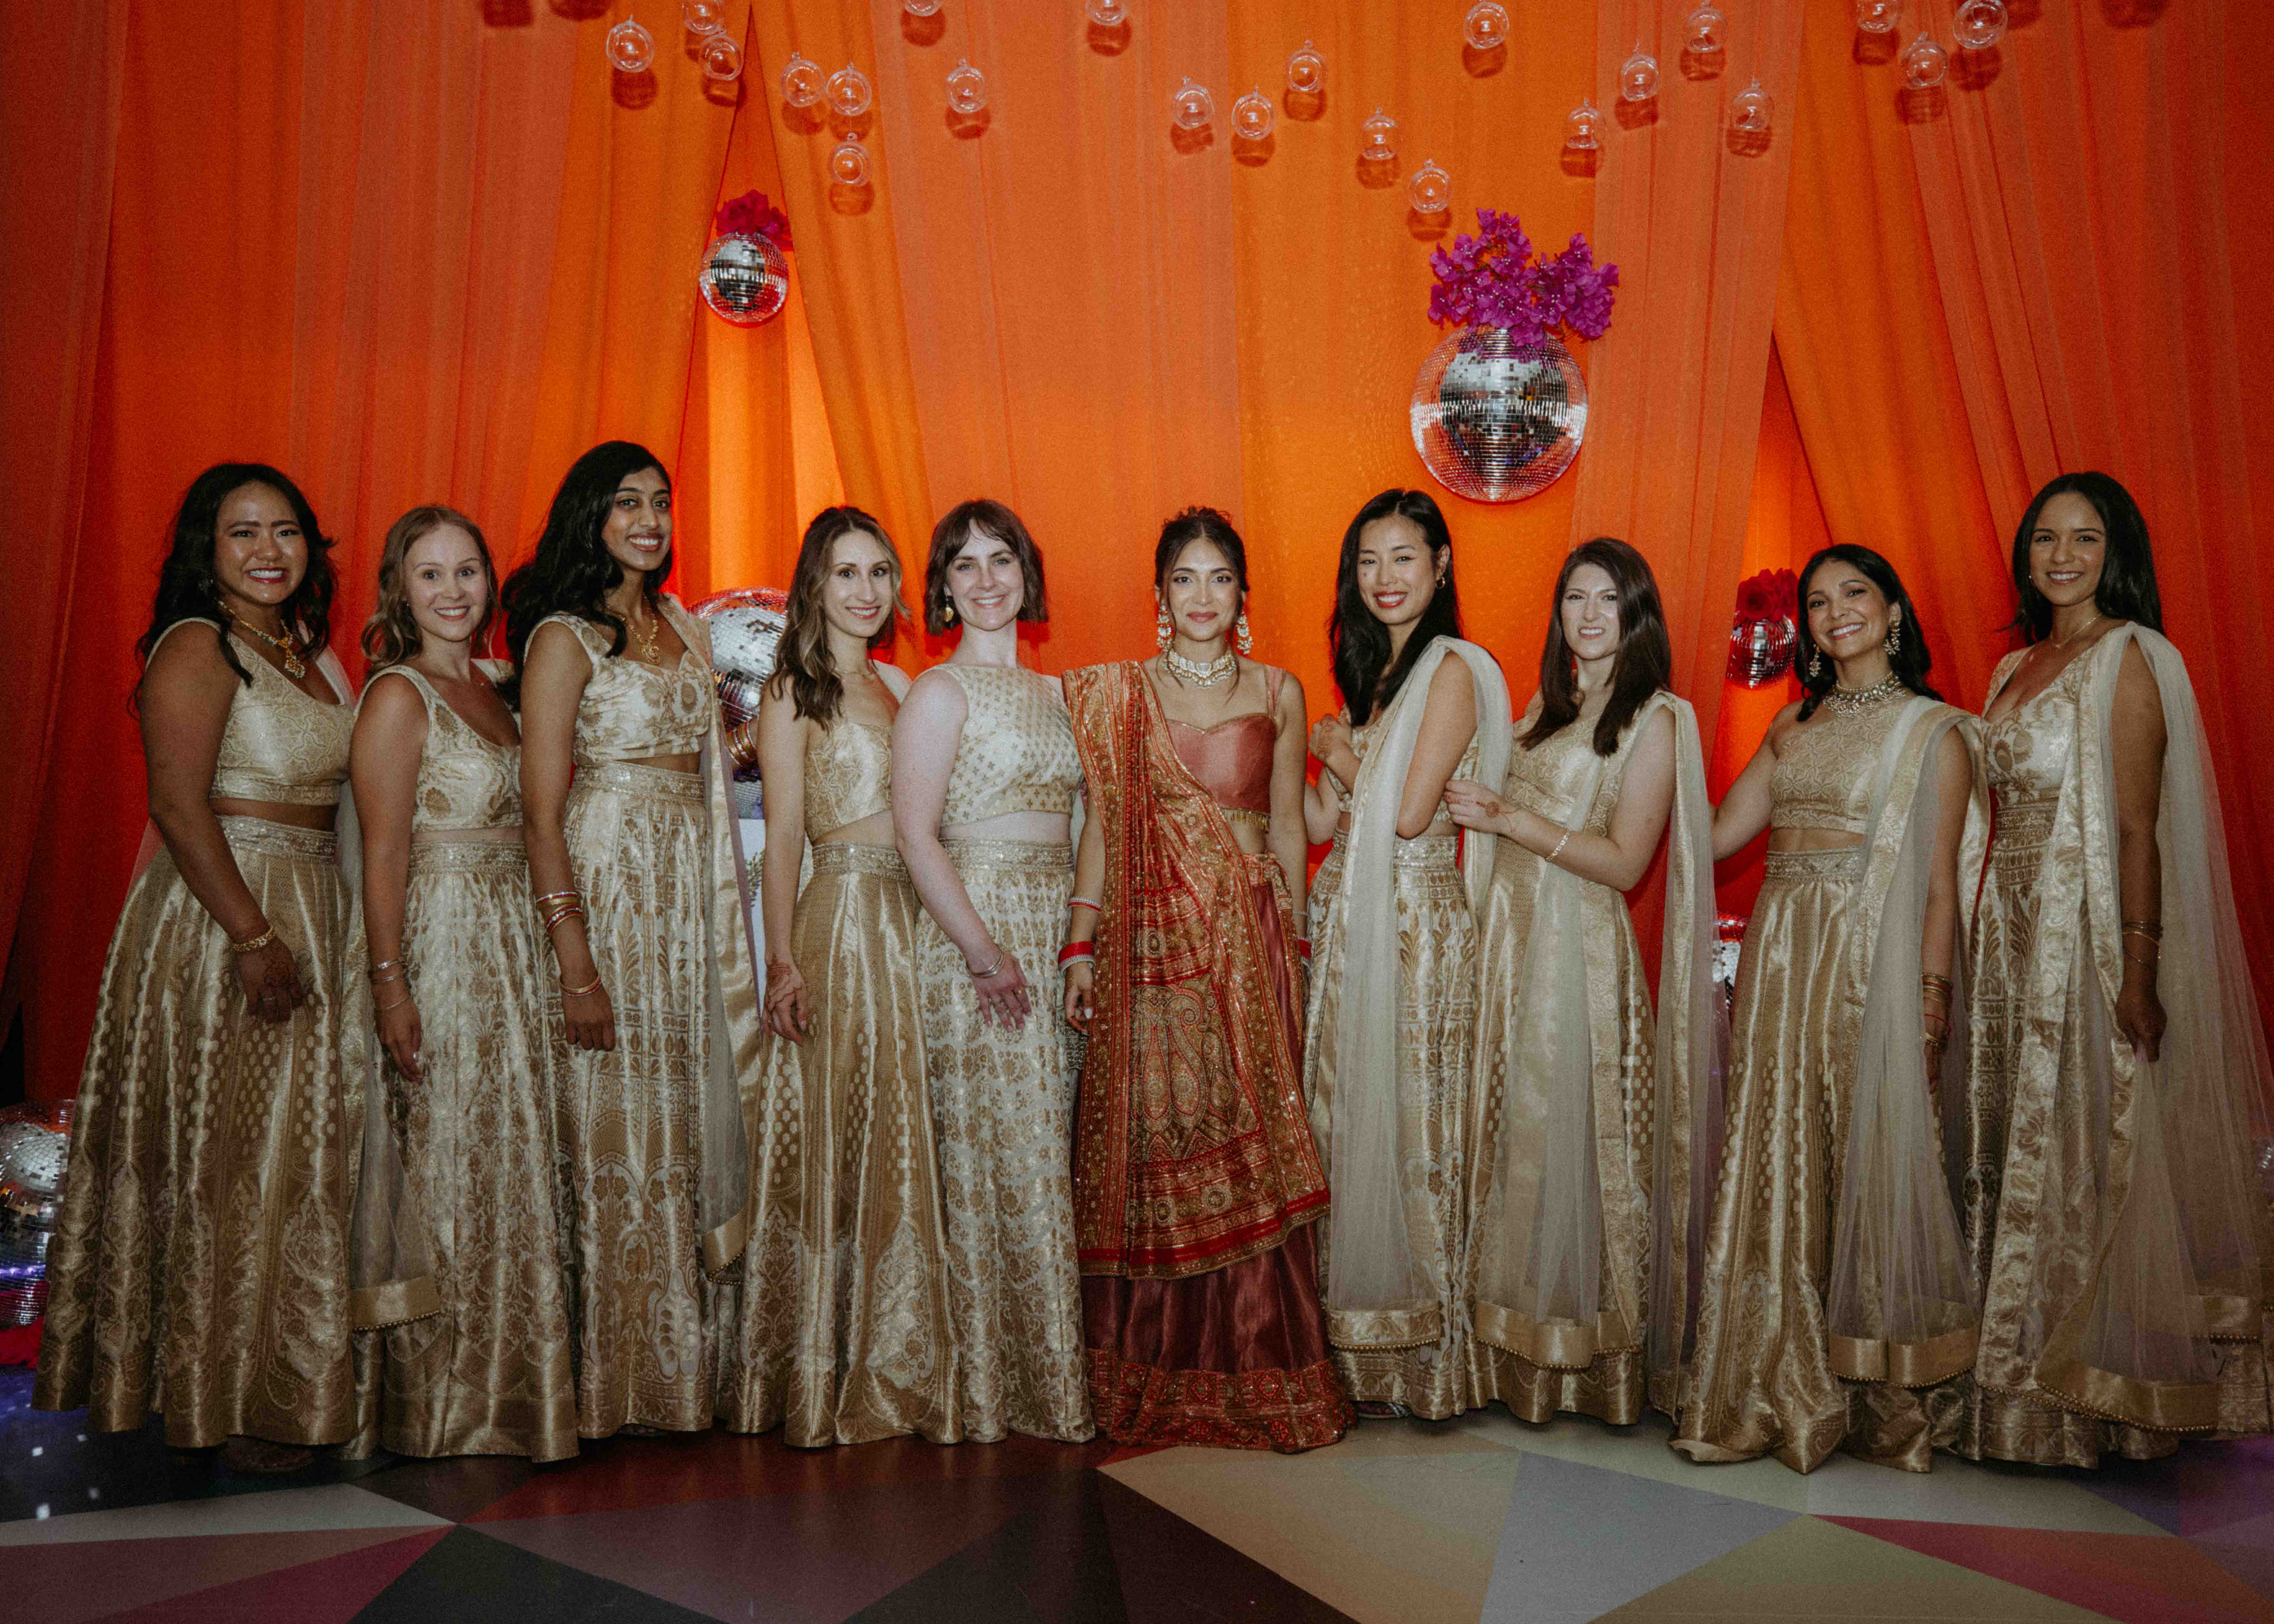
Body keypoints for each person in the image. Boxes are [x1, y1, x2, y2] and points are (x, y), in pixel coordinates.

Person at [35, 463, 360, 1474]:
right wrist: (254, 937)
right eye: (242, 531)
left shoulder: (306, 650)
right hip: (226, 921)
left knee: (289, 1164)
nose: (268, 549)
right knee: (221, 1161)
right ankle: (207, 1395)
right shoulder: (197, 643)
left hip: (313, 906)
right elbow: (178, 805)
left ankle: (277, 1385)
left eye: (286, 530)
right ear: (206, 550)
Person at [1961, 472, 2274, 1466]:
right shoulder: (2011, 666)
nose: (2060, 556)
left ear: (2115, 553)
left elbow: (2137, 826)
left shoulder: (2129, 656)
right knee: (2011, 1141)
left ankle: (2088, 1402)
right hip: (2004, 935)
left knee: (2082, 1150)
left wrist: (2137, 971)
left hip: (2083, 934)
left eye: (2084, 538)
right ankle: (2005, 1387)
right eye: (2044, 538)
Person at [1675, 545, 1982, 1473]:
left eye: (1854, 593)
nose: (1835, 611)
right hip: (1782, 956)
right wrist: (1646, 742)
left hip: (1867, 962)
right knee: (1781, 1153)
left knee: (1866, 1151)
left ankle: (1884, 1395)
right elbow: (1716, 835)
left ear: (1893, 611)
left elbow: (1941, 888)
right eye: (1817, 601)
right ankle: (1777, 1378)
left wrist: (1929, 1007)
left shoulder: (1934, 731)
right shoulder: (1791, 724)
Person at [1062, 506, 1352, 1451]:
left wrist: (1294, 948)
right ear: (1159, 595)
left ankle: (1261, 1363)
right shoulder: (1123, 692)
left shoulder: (1277, 688)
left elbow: (1287, 826)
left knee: (1250, 1149)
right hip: (1148, 946)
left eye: (1219, 577)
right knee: (1159, 1144)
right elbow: (1105, 827)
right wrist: (1078, 945)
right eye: (1183, 578)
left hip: (1246, 942)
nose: (1201, 596)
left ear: (1243, 594)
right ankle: (1153, 1365)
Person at [504, 441, 757, 1439]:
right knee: (613, 1128)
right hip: (607, 886)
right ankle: (612, 1381)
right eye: (626, 504)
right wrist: (575, 961)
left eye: (660, 502)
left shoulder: (683, 626)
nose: (649, 521)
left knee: (679, 1127)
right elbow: (539, 812)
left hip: (687, 898)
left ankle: (682, 1372)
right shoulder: (563, 636)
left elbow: (720, 758)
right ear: (590, 516)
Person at [1441, 538, 1717, 1426]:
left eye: (1608, 598)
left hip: (1577, 952)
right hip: (1510, 941)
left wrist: (1510, 818)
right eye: (1575, 598)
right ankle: (1499, 1348)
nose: (1589, 615)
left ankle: (1572, 1361)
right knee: (1507, 1137)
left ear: (1637, 615)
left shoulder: (1658, 718)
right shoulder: (1546, 707)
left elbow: (1628, 861)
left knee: (1564, 1142)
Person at [716, 507, 958, 1446]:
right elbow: (782, 837)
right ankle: (820, 1368)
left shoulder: (901, 686)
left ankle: (896, 1356)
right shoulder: (792, 689)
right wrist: (780, 959)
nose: (867, 590)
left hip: (913, 920)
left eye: (880, 572)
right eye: (847, 572)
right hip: (844, 920)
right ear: (814, 584)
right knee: (838, 1135)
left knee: (901, 1133)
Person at [346, 504, 577, 1463]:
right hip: (440, 943)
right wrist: (391, 988)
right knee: (445, 1154)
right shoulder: (398, 696)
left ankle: (515, 1392)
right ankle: (440, 1404)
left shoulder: (496, 686)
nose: (454, 591)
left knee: (508, 1155)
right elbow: (382, 855)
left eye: (468, 571)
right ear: (400, 590)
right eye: (431, 574)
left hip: (512, 942)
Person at [1302, 488, 1511, 1419]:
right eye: (1367, 562)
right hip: (1351, 916)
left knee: (1410, 1127)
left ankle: (1422, 1358)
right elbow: (1328, 823)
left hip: (1414, 924)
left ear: (1440, 565)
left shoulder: (1454, 668)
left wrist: (1337, 750)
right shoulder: (1375, 676)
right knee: (1349, 1119)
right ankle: (1354, 1349)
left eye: (1402, 558)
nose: (1384, 578)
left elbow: (1410, 814)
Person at [892, 499, 1093, 1443]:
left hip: (1051, 937)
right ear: (942, 586)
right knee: (991, 1156)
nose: (984, 580)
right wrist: (981, 953)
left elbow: (1086, 827)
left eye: (1000, 559)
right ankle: (986, 1384)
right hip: (974, 938)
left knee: (1044, 1153)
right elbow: (914, 835)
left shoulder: (1060, 695)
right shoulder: (938, 693)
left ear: (1027, 572)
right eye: (963, 564)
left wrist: (1080, 942)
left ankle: (1045, 1376)